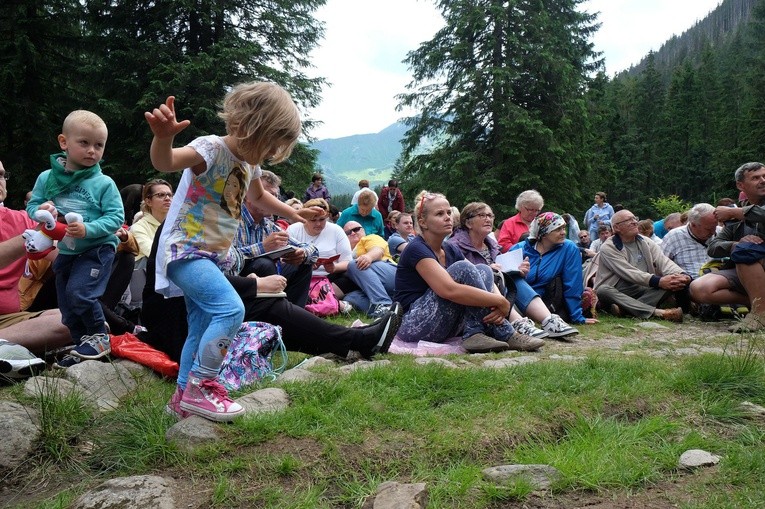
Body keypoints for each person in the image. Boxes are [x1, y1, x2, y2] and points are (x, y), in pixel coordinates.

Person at [144, 83, 316, 422]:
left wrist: (294, 214)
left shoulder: (249, 165)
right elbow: (166, 161)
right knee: (230, 309)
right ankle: (203, 384)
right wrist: (163, 137)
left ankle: (182, 397)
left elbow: (259, 199)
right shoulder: (211, 148)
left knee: (202, 324)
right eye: (268, 145)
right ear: (248, 125)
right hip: (187, 250)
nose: (268, 155)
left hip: (212, 257)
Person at [138, 222, 402, 397]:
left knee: (270, 307)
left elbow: (227, 265)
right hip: (175, 320)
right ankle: (357, 342)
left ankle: (349, 344)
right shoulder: (185, 224)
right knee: (268, 305)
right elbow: (195, 280)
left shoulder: (204, 218)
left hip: (195, 309)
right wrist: (255, 285)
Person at [26, 110, 124, 368]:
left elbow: (116, 218)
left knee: (80, 292)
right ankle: (83, 345)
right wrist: (41, 210)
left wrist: (88, 229)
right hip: (67, 251)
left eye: (99, 145)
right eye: (84, 143)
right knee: (66, 304)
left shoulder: (104, 183)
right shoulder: (47, 178)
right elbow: (33, 204)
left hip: (97, 248)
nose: (92, 150)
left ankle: (100, 337)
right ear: (63, 142)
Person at [394, 191, 544, 353]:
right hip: (413, 325)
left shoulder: (449, 248)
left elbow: (477, 274)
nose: (447, 217)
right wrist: (500, 302)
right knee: (462, 268)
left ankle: (475, 332)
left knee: (483, 269)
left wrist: (500, 299)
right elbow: (448, 289)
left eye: (449, 212)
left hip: (443, 322)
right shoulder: (416, 248)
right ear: (423, 222)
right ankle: (504, 332)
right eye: (439, 214)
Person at [449, 203, 575, 339]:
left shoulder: (493, 247)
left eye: (490, 215)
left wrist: (518, 270)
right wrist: (488, 270)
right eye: (482, 215)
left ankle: (548, 320)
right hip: (470, 302)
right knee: (494, 275)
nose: (488, 219)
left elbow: (502, 274)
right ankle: (518, 322)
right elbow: (455, 276)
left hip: (501, 299)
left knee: (514, 278)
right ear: (468, 222)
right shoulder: (454, 246)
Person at [0, 162, 71, 380]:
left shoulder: (21, 219)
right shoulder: (29, 226)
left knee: (75, 319)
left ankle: (10, 350)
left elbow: (61, 255)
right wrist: (32, 235)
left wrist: (101, 232)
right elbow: (35, 237)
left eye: (2, 174)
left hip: (8, 319)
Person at [690, 162, 765, 332]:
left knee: (745, 252)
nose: (763, 180)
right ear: (741, 185)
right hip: (747, 268)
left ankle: (760, 314)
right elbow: (713, 247)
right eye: (755, 178)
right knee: (699, 288)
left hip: (753, 261)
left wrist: (734, 212)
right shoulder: (736, 214)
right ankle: (758, 302)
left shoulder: (735, 212)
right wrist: (734, 244)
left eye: (764, 176)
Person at [235, 170, 318, 307]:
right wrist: (262, 247)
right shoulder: (234, 221)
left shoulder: (268, 225)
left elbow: (312, 250)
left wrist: (302, 254)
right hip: (237, 282)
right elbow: (225, 258)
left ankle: (293, 317)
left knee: (304, 263)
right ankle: (271, 314)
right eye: (270, 195)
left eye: (276, 196)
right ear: (249, 196)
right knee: (263, 263)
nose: (275, 201)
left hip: (263, 280)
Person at [594, 209, 689, 322]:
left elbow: (663, 261)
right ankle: (658, 313)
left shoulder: (646, 241)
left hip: (644, 287)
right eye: (629, 220)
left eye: (635, 218)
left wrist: (681, 274)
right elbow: (628, 272)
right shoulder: (608, 247)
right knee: (603, 290)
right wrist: (659, 281)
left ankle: (626, 310)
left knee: (673, 282)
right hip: (619, 290)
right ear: (617, 228)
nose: (634, 222)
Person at [509, 212, 593, 333]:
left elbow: (573, 283)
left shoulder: (568, 248)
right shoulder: (518, 249)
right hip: (518, 299)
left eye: (564, 228)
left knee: (557, 280)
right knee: (514, 279)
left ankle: (545, 319)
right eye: (558, 229)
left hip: (548, 300)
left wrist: (577, 316)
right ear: (544, 233)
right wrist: (519, 273)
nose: (563, 232)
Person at [287, 198, 356, 307]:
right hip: (301, 279)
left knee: (353, 274)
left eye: (322, 219)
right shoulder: (293, 230)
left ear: (328, 216)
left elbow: (348, 261)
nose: (318, 224)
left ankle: (317, 298)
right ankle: (327, 300)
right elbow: (285, 260)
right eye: (313, 220)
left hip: (330, 278)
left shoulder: (336, 230)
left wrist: (334, 267)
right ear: (304, 218)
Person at [342, 221, 397, 318]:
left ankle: (384, 304)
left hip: (391, 275)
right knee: (350, 298)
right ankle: (395, 307)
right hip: (375, 287)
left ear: (363, 230)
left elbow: (378, 250)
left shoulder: (369, 238)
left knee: (355, 264)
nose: (353, 233)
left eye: (356, 229)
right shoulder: (346, 252)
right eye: (348, 233)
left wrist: (368, 257)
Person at [660, 203, 717, 279]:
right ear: (693, 225)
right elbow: (661, 265)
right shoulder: (673, 237)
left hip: (720, 283)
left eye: (715, 226)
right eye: (708, 229)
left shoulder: (721, 233)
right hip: (688, 285)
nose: (713, 232)